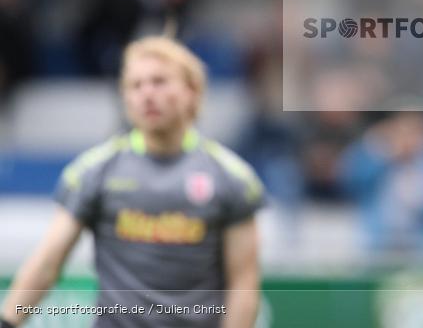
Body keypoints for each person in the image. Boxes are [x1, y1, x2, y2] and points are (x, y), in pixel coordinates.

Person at [1, 36, 264, 328]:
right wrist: (9, 321)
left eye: (159, 81)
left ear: (191, 91)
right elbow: (47, 263)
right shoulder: (94, 171)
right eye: (136, 85)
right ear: (125, 98)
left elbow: (243, 284)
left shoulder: (232, 178)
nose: (147, 94)